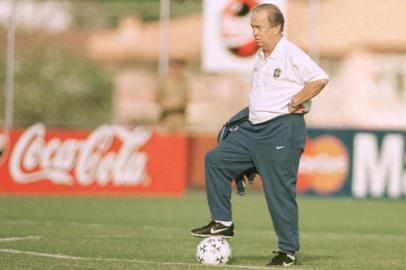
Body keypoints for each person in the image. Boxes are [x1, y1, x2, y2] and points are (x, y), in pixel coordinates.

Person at [190, 3, 329, 267]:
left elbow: (320, 78)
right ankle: (222, 222)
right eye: (252, 27)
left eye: (259, 27)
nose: (254, 32)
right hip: (253, 130)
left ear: (276, 27)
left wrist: (297, 100)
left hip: (281, 131)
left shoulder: (290, 53)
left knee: (279, 193)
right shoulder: (261, 55)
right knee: (215, 160)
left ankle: (287, 252)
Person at [156, 60, 188, 134]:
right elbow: (157, 96)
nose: (177, 70)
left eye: (179, 67)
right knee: (165, 140)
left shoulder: (184, 81)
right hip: (167, 116)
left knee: (180, 139)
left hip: (179, 116)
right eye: (174, 67)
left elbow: (186, 98)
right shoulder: (164, 80)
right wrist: (166, 105)